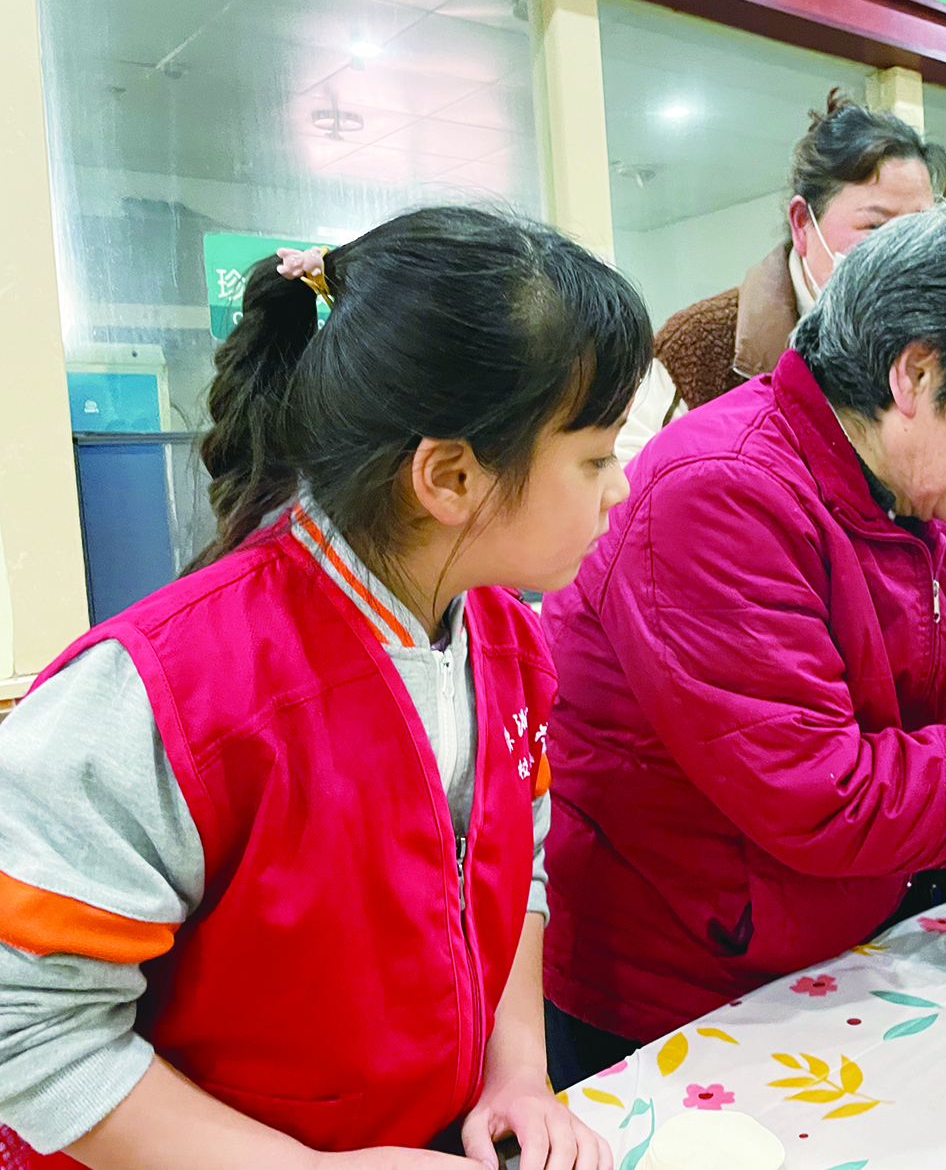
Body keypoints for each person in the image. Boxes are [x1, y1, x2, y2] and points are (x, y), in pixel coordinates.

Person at [0, 208, 650, 1169]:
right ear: (450, 477)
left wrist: (517, 1069)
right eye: (595, 457)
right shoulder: (165, 691)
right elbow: (29, 1026)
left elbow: (519, 862)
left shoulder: (509, 642)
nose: (619, 488)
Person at [539, 206, 946, 1086]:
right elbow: (821, 793)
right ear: (916, 374)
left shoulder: (894, 489)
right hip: (686, 987)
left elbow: (908, 725)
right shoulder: (721, 493)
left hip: (824, 942)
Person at [615, 89, 946, 464]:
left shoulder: (934, 341)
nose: (903, 249)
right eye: (876, 226)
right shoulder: (698, 346)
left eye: (919, 229)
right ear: (802, 224)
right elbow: (626, 485)